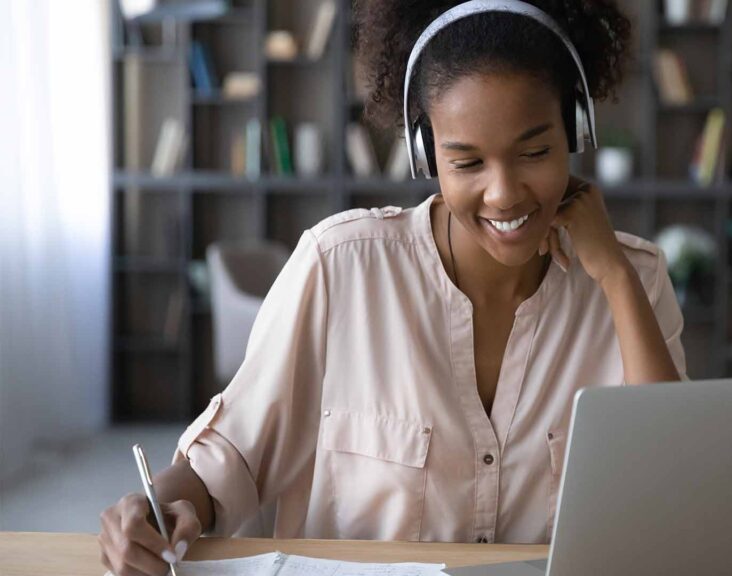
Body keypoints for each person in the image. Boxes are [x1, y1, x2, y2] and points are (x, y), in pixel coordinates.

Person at [98, 1, 686, 574]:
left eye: (534, 151)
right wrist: (162, 508)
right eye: (467, 162)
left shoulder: (635, 278)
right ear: (427, 153)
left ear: (576, 130)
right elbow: (228, 459)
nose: (505, 193)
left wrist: (612, 275)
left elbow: (671, 486)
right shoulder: (340, 266)